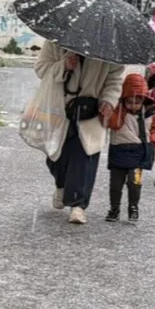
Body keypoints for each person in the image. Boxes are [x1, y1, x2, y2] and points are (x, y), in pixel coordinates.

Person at [35, 41, 126, 225]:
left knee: (85, 157)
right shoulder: (56, 40)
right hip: (59, 108)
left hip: (91, 110)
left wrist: (109, 100)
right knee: (56, 156)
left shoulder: (110, 45)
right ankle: (61, 184)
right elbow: (41, 69)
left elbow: (114, 79)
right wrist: (64, 66)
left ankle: (78, 205)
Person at [104, 71, 155, 223]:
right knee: (115, 184)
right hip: (118, 152)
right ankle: (114, 208)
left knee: (135, 182)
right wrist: (117, 109)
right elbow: (112, 123)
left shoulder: (148, 114)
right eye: (129, 101)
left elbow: (154, 128)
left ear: (143, 100)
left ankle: (133, 206)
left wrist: (154, 142)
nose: (133, 105)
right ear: (123, 99)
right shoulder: (118, 111)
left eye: (137, 102)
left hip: (138, 155)